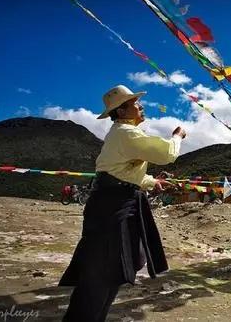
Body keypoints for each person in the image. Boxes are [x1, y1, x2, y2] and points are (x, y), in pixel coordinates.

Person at [59, 85, 186, 321]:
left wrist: (150, 182)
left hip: (119, 202)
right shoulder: (127, 134)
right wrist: (177, 137)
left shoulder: (122, 134)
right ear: (121, 110)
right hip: (112, 206)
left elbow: (123, 173)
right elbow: (166, 154)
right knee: (102, 270)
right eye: (135, 103)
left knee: (116, 267)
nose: (140, 106)